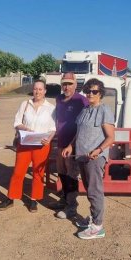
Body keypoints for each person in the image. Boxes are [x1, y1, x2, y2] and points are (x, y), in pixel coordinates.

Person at [62, 78, 115, 240]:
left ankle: (98, 226)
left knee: (94, 191)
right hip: (81, 156)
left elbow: (111, 137)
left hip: (95, 158)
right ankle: (93, 219)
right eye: (88, 91)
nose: (90, 94)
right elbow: (79, 133)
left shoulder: (104, 110)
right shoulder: (85, 110)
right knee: (88, 188)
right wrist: (71, 145)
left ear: (100, 93)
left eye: (94, 91)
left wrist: (98, 150)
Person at [0, 78, 56, 213]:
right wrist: (25, 128)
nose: (37, 91)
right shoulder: (25, 104)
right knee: (18, 171)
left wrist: (49, 139)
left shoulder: (51, 108)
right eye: (35, 89)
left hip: (42, 144)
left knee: (38, 173)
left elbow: (53, 128)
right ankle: (11, 197)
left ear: (45, 91)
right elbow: (17, 122)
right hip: (25, 143)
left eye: (40, 89)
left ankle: (34, 200)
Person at [51, 72, 88, 219]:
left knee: (72, 176)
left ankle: (72, 207)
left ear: (75, 85)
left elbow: (83, 126)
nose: (66, 87)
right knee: (62, 174)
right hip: (60, 143)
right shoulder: (59, 99)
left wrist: (72, 144)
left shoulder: (81, 100)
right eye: (64, 84)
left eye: (69, 84)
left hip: (73, 146)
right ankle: (64, 200)